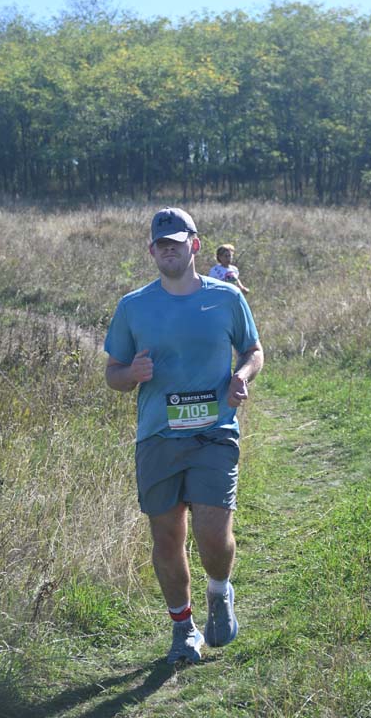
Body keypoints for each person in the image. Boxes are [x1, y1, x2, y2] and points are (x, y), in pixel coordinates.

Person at [104, 207, 263, 664]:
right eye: (161, 244)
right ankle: (183, 628)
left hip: (215, 432)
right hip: (158, 437)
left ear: (194, 245)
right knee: (167, 538)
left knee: (213, 533)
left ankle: (219, 589)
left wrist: (242, 376)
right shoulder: (133, 306)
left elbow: (253, 349)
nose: (168, 249)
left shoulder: (226, 298)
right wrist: (131, 374)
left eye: (176, 242)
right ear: (151, 251)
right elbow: (113, 374)